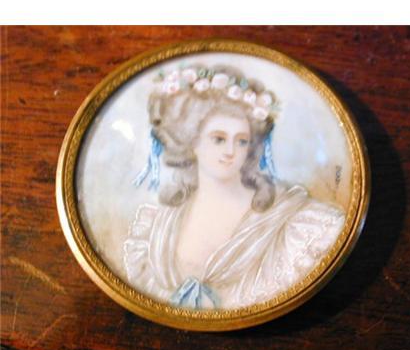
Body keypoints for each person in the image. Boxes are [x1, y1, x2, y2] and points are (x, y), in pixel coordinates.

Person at [124, 65, 345, 309]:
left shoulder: (292, 221)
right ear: (191, 141)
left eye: (241, 141)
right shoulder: (159, 225)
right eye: (219, 139)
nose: (230, 151)